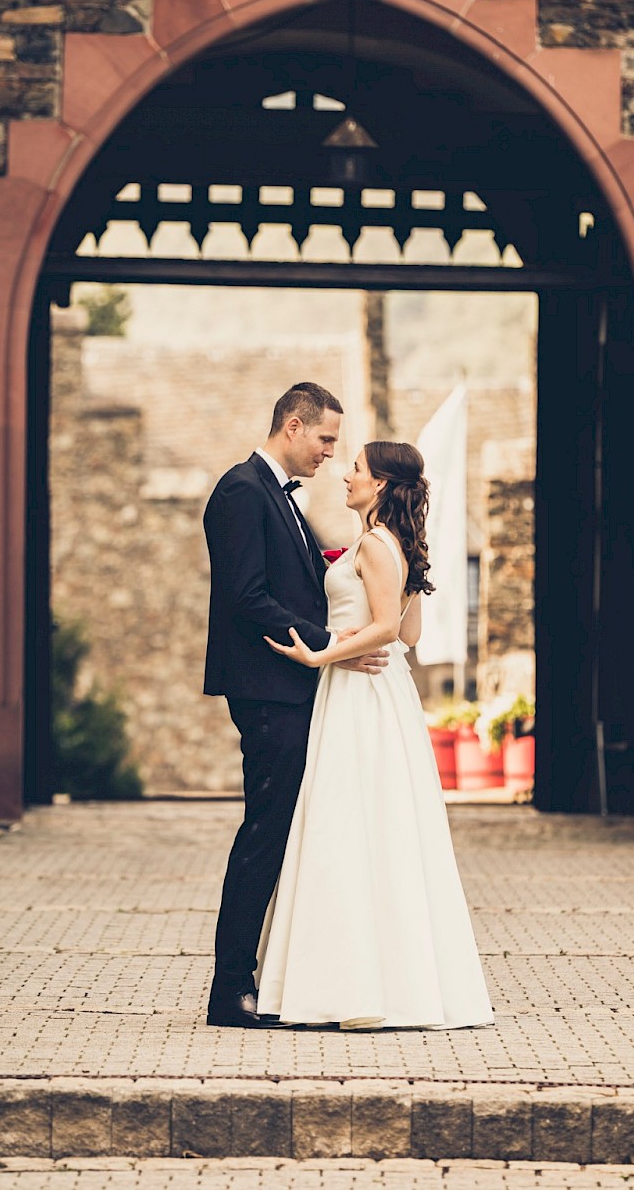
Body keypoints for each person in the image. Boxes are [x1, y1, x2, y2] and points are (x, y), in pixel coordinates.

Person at [257, 440, 494, 1031]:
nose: (345, 476)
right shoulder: (392, 545)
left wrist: (321, 655)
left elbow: (388, 628)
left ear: (382, 484)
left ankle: (350, 984)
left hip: (360, 691)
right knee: (372, 826)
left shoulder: (373, 544)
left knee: (346, 823)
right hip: (377, 690)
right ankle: (371, 978)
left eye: (356, 469)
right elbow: (410, 633)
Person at [202, 382, 388, 1029]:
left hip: (289, 686)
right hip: (267, 689)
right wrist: (333, 644)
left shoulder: (275, 496)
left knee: (282, 833)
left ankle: (270, 978)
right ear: (291, 424)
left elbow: (293, 583)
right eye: (325, 439)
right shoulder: (241, 491)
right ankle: (230, 990)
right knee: (265, 833)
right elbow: (248, 598)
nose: (331, 455)